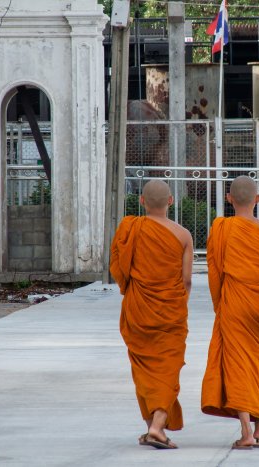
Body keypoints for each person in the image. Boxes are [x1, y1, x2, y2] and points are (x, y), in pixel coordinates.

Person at [201, 175, 259, 449]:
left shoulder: (220, 228)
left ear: (229, 199)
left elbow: (214, 270)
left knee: (238, 363)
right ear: (258, 199)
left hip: (233, 305)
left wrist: (220, 304)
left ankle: (247, 431)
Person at [110, 180, 194, 450]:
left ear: (142, 202)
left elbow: (119, 268)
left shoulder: (130, 229)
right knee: (167, 368)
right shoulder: (183, 235)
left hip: (138, 308)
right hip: (170, 310)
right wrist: (180, 304)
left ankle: (151, 428)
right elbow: (187, 280)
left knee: (144, 369)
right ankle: (157, 427)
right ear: (171, 201)